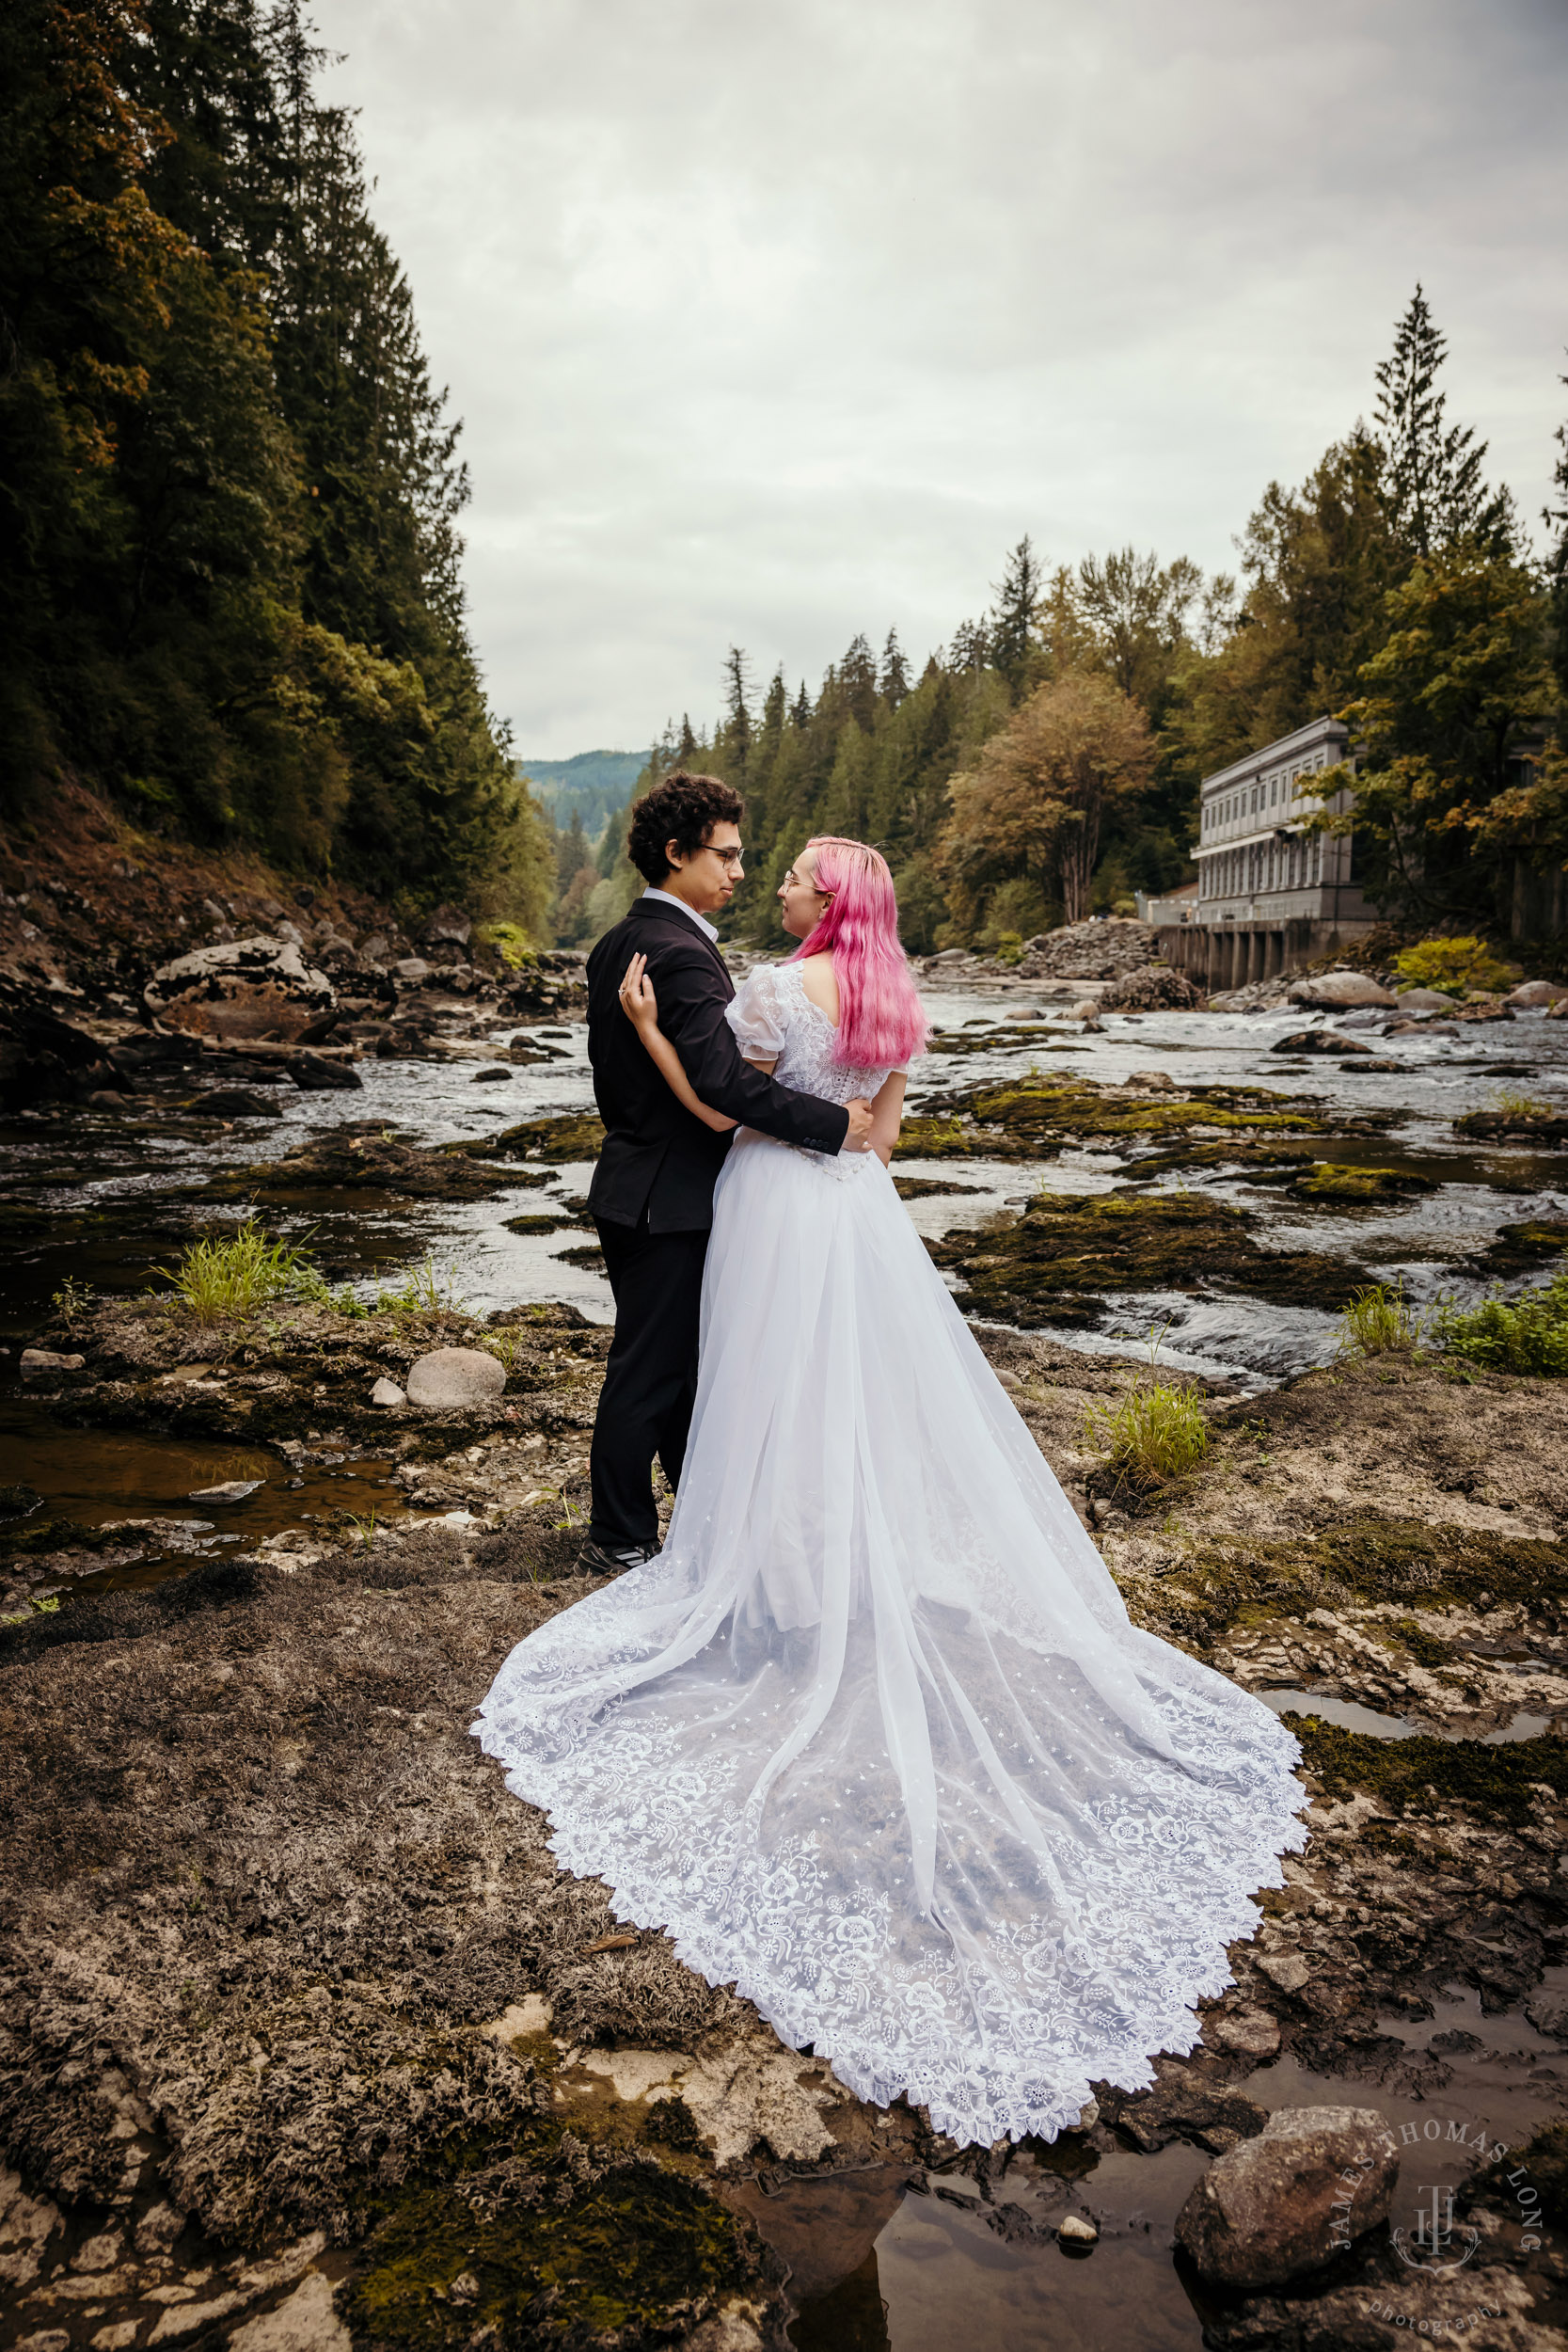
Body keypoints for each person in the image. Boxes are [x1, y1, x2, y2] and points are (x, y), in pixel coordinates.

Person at [475, 836, 1307, 2146]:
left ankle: (736, 1554)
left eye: (796, 871)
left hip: (763, 1201)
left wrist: (644, 1035)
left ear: (824, 899)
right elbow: (883, 1136)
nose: (781, 883)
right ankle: (809, 1548)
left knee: (750, 1383)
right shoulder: (895, 999)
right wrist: (851, 1171)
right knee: (840, 1392)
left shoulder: (766, 987)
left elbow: (716, 1106)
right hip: (855, 1211)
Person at [577, 771, 873, 1577]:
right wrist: (830, 1126)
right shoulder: (680, 954)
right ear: (676, 854)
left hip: (639, 1180)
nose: (739, 872)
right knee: (651, 1370)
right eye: (726, 856)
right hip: (664, 1194)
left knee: (677, 1369)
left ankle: (696, 1517)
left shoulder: (622, 940)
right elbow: (722, 1082)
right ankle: (620, 1535)